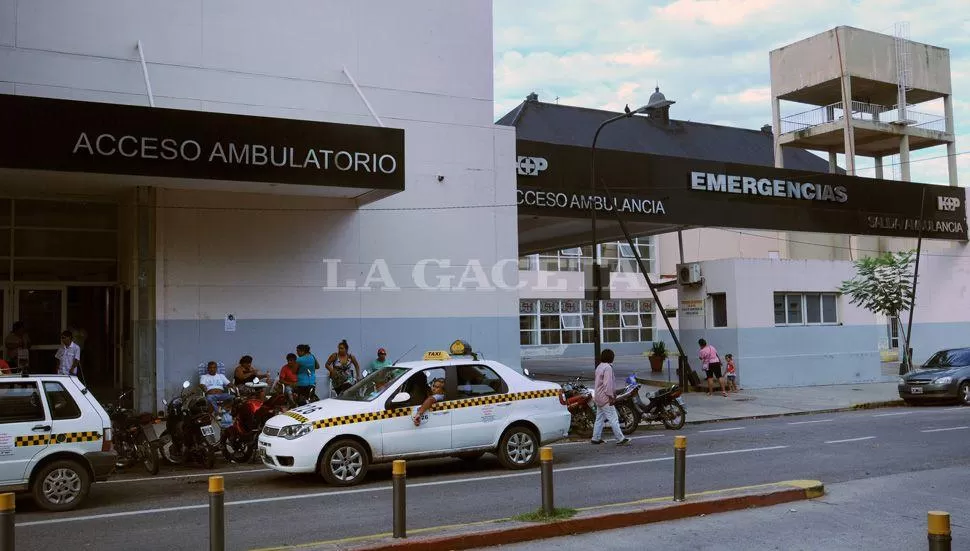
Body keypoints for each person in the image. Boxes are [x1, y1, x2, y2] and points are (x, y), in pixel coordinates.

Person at [591, 349, 631, 446]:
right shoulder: (608, 368)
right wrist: (611, 396)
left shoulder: (599, 367)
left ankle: (595, 438)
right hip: (605, 397)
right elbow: (607, 385)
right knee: (613, 418)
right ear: (611, 357)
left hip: (598, 396)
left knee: (599, 418)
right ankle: (620, 439)